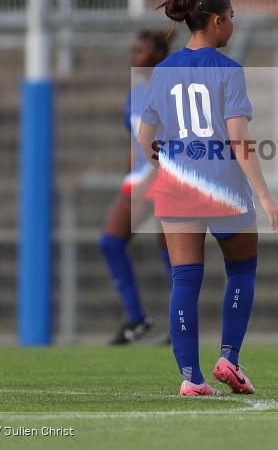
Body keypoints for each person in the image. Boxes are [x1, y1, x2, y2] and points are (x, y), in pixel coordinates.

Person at [137, 0, 278, 396]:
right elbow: (239, 140)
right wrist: (265, 194)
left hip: (176, 188)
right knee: (241, 270)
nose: (233, 23)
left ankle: (191, 378)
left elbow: (145, 134)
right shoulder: (228, 70)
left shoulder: (164, 71)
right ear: (218, 21)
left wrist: (164, 165)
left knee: (184, 280)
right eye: (232, 16)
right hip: (224, 187)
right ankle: (228, 358)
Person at [99, 30, 173, 345]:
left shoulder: (169, 88)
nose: (134, 55)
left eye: (140, 50)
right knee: (110, 242)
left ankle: (180, 324)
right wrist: (130, 174)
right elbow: (135, 140)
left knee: (172, 253)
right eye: (133, 49)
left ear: (158, 53)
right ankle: (137, 319)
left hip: (168, 176)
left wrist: (154, 177)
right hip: (141, 177)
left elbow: (175, 139)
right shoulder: (135, 93)